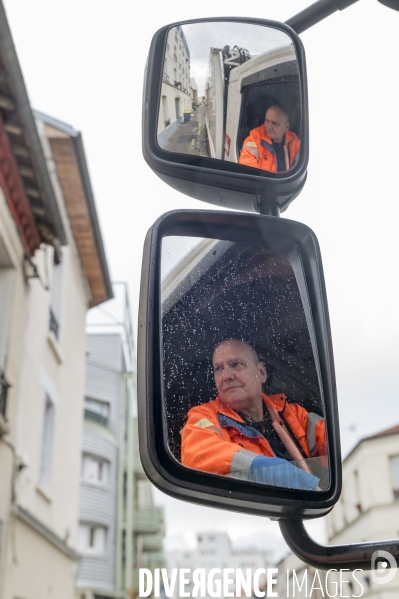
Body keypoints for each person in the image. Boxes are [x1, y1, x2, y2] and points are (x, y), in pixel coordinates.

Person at [181, 339, 326, 491]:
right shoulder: (204, 416)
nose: (226, 376)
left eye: (236, 364)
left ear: (262, 373)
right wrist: (286, 475)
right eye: (218, 369)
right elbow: (196, 455)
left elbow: (333, 443)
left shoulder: (292, 413)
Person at [239, 105, 300, 172]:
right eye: (267, 121)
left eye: (274, 123)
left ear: (286, 127)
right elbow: (247, 171)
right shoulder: (255, 138)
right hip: (264, 182)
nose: (269, 127)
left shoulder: (294, 140)